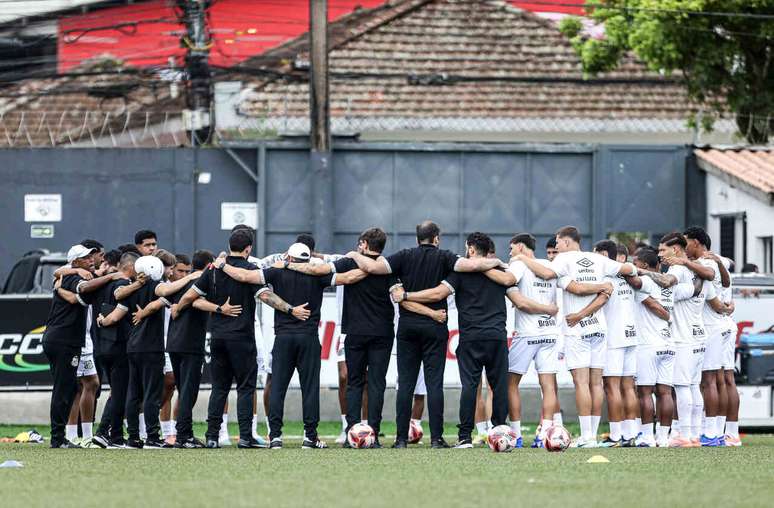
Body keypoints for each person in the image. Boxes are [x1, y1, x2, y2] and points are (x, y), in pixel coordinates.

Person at [347, 220, 504, 449]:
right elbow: (471, 267)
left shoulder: (403, 257)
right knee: (434, 385)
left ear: (417, 238)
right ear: (436, 239)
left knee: (406, 385)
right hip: (435, 327)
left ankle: (401, 439)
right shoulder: (446, 258)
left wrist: (354, 254)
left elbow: (373, 267)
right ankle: (437, 439)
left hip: (407, 328)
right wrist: (496, 261)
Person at [279, 227, 413, 448]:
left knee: (354, 383)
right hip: (382, 332)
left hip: (355, 331)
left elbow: (320, 270)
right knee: (377, 383)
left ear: (364, 244)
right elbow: (397, 295)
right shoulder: (387, 267)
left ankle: (352, 432)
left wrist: (288, 265)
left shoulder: (349, 262)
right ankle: (374, 435)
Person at [514, 226, 636, 448]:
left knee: (581, 382)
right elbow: (628, 268)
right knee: (596, 384)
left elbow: (547, 274)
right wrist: (604, 285)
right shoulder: (596, 259)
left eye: (558, 243)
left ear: (567, 242)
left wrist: (522, 258)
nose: (556, 247)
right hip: (599, 327)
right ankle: (593, 436)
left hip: (577, 328)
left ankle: (587, 436)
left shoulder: (564, 259)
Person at [391, 232, 515, 449]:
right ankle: (500, 431)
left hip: (470, 337)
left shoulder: (459, 274)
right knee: (499, 386)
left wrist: (407, 295)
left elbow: (438, 294)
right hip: (496, 336)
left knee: (469, 386)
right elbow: (514, 287)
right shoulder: (501, 272)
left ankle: (465, 436)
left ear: (472, 250)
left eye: (468, 248)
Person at [215, 241, 333, 449]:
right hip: (308, 338)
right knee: (310, 389)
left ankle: (275, 437)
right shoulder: (318, 274)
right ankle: (310, 437)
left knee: (277, 387)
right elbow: (347, 277)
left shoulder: (276, 272)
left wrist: (222, 265)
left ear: (289, 257)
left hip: (283, 338)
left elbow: (244, 276)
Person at [656, 232, 732, 447]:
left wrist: (644, 272)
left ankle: (685, 435)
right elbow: (717, 301)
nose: (660, 254)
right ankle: (696, 434)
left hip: (684, 338)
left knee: (682, 387)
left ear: (676, 250)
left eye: (663, 250)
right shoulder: (699, 273)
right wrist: (729, 308)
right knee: (693, 386)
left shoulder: (678, 270)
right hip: (699, 336)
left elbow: (667, 283)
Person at [43, 244, 118, 448]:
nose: (90, 260)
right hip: (63, 340)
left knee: (68, 388)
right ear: (75, 261)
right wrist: (110, 277)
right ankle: (58, 438)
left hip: (65, 339)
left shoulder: (75, 274)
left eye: (91, 256)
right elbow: (82, 288)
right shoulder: (71, 277)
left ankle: (62, 436)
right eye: (85, 257)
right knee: (64, 389)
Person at [166, 250, 240, 448]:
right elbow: (196, 301)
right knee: (188, 392)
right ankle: (183, 437)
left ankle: (183, 433)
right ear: (209, 265)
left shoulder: (179, 283)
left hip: (173, 343)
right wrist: (218, 308)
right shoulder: (203, 280)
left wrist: (177, 307)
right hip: (190, 344)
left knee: (183, 391)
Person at [99, 255, 170, 448]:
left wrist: (102, 321)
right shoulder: (157, 288)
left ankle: (133, 437)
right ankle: (153, 437)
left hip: (133, 347)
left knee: (134, 394)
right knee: (151, 394)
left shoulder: (130, 291)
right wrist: (190, 279)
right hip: (152, 347)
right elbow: (169, 294)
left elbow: (114, 316)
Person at [505, 233, 562, 448]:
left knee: (511, 384)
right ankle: (545, 434)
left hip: (527, 333)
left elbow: (509, 283)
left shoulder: (518, 265)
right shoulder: (547, 265)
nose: (510, 253)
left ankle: (516, 435)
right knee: (548, 386)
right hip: (549, 332)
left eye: (511, 249)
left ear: (520, 247)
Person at [683, 227, 734, 446]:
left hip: (712, 327)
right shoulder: (715, 261)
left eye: (686, 243)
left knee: (709, 381)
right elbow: (726, 283)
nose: (685, 249)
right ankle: (717, 432)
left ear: (695, 242)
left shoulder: (707, 264)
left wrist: (683, 262)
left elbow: (712, 281)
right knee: (718, 381)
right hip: (721, 325)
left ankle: (712, 433)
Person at [594, 240, 640, 447]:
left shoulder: (605, 276)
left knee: (612, 387)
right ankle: (631, 434)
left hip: (614, 337)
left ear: (604, 254)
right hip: (631, 336)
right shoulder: (629, 277)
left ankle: (615, 436)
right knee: (628, 387)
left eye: (596, 254)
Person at [93, 252, 139, 448]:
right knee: (120, 393)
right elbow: (116, 315)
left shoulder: (102, 284)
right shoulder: (123, 286)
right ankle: (103, 432)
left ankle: (117, 436)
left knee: (117, 391)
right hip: (119, 345)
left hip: (102, 345)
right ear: (131, 267)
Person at [155, 249, 179, 444]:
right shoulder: (155, 286)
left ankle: (166, 430)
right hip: (154, 341)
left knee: (170, 383)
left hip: (168, 339)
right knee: (159, 383)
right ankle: (141, 424)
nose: (172, 271)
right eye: (170, 268)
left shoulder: (170, 285)